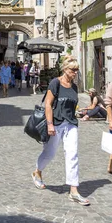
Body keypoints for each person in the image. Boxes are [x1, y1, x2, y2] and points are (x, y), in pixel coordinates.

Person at [31, 57, 90, 206]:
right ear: (65, 69)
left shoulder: (74, 87)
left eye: (76, 70)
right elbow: (48, 105)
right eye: (72, 70)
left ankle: (74, 190)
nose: (75, 73)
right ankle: (37, 171)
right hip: (56, 123)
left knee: (72, 154)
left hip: (70, 124)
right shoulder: (55, 83)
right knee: (49, 154)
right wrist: (50, 124)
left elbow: (72, 106)